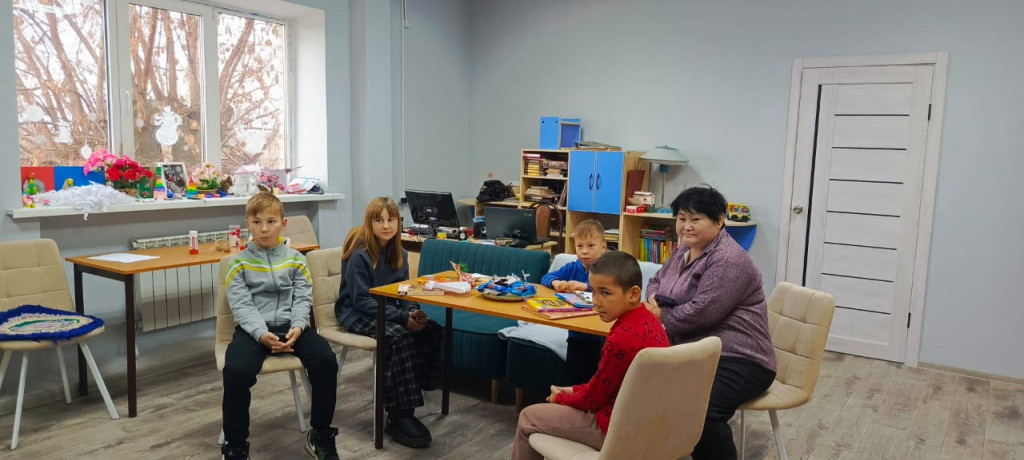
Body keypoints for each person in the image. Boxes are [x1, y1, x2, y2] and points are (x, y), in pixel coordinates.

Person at [645, 185, 776, 460]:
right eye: (682, 218)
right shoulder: (683, 250)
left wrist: (661, 314)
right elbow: (656, 281)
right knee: (640, 387)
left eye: (696, 219)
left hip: (740, 358)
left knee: (701, 412)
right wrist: (655, 300)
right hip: (696, 352)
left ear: (719, 221)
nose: (686, 226)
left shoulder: (728, 259)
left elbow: (704, 311)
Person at [512, 251, 669, 460]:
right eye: (593, 291)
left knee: (528, 416)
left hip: (615, 428)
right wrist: (573, 390)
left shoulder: (621, 339)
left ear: (633, 294)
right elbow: (607, 384)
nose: (596, 301)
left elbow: (593, 400)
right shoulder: (651, 322)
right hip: (647, 424)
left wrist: (562, 398)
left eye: (605, 293)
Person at [221, 192, 339, 460]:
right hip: (254, 331)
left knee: (325, 361)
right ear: (248, 225)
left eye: (271, 221)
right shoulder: (238, 263)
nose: (264, 228)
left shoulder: (296, 259)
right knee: (236, 370)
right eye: (257, 222)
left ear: (283, 224)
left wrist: (298, 326)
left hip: (292, 327)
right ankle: (235, 445)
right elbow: (242, 305)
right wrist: (261, 334)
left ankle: (321, 434)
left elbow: (303, 297)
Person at [335, 197, 443, 448]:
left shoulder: (400, 254)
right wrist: (402, 318)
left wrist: (413, 311)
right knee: (400, 338)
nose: (386, 225)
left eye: (391, 219)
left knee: (432, 330)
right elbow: (361, 300)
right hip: (357, 313)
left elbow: (404, 291)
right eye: (379, 220)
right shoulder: (359, 255)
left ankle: (413, 391)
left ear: (398, 222)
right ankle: (398, 413)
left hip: (388, 309)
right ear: (369, 223)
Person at [540, 219, 607, 384]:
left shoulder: (608, 269)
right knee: (574, 377)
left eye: (591, 246)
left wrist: (587, 286)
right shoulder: (572, 268)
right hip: (576, 335)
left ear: (603, 247)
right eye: (579, 246)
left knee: (596, 380)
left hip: (600, 337)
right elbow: (546, 277)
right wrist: (556, 282)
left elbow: (611, 289)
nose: (584, 251)